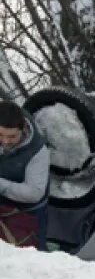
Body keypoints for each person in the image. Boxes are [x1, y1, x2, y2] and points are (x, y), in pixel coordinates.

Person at [0, 100, 49, 249]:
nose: (5, 141)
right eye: (0, 135)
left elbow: (34, 193)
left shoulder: (38, 151)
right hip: (3, 205)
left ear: (24, 128)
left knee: (33, 253)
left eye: (12, 136)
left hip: (29, 211)